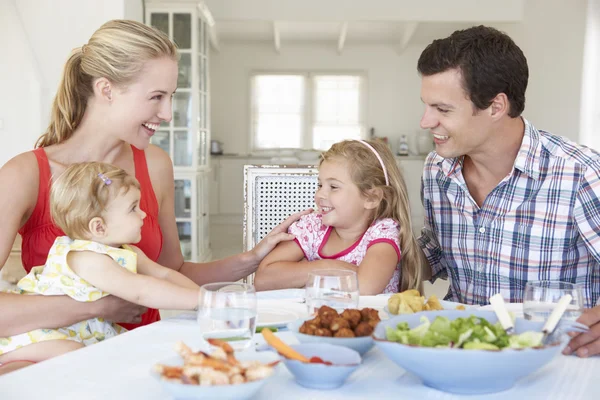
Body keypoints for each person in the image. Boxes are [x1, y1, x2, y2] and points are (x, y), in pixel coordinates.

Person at [0, 19, 307, 371]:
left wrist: (251, 259)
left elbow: (171, 271)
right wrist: (95, 308)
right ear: (107, 90)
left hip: (144, 355)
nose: (166, 113)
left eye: (171, 96)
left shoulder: (156, 165)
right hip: (60, 359)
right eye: (156, 97)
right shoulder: (24, 174)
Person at [415, 25, 600, 356]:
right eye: (427, 106)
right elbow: (436, 256)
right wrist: (346, 241)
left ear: (496, 106)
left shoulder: (580, 174)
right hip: (462, 356)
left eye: (442, 110)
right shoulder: (436, 170)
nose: (426, 121)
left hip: (555, 363)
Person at [0, 162, 200, 366]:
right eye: (133, 208)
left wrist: (206, 301)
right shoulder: (87, 258)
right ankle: (6, 356)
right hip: (44, 334)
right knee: (74, 351)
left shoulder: (127, 251)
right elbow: (141, 290)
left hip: (80, 331)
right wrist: (200, 300)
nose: (143, 214)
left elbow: (164, 275)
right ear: (99, 226)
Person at [254, 139, 423, 295]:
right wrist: (328, 267)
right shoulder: (312, 227)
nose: (319, 194)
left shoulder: (383, 231)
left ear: (371, 198)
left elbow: (365, 286)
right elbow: (263, 279)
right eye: (320, 184)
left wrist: (303, 271)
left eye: (333, 187)